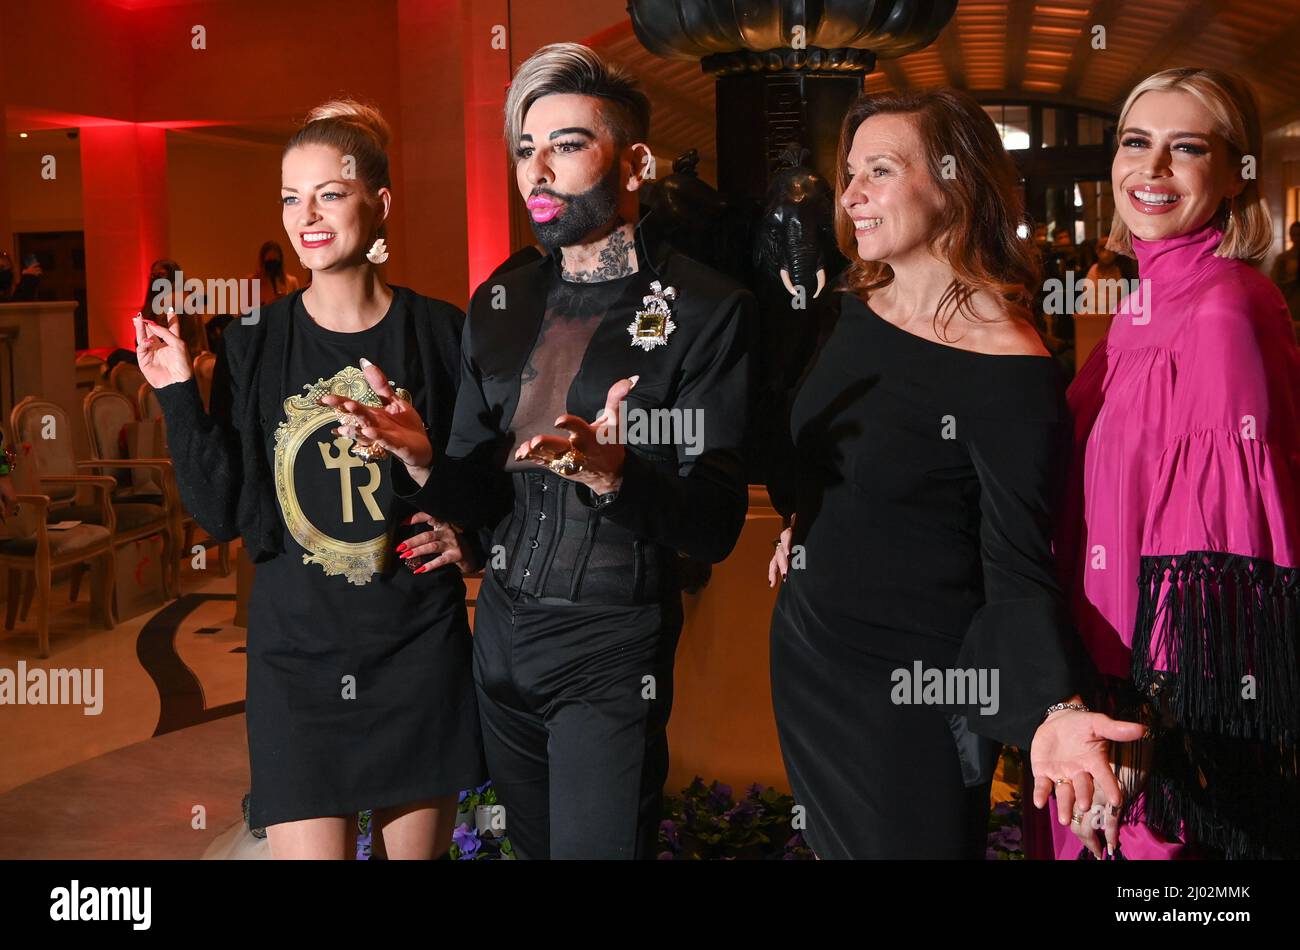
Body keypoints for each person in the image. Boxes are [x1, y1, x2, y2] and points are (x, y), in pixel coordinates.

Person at [323, 43, 755, 859]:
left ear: (634, 163)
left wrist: (617, 473)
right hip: (501, 642)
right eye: (526, 148)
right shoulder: (503, 294)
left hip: (610, 647)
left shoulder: (705, 306)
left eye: (564, 145)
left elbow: (717, 523)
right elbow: (482, 493)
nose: (537, 172)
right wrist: (424, 463)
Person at [765, 87, 1144, 859]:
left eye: (879, 170)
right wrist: (805, 519)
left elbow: (1015, 562)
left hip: (910, 690)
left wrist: (1054, 708)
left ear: (954, 181)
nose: (852, 195)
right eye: (850, 173)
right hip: (811, 649)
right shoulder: (855, 305)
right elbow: (843, 453)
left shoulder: (1007, 367)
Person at [137, 99, 486, 859]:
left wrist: (461, 522)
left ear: (380, 203)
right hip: (296, 659)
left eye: (331, 192)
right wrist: (174, 392)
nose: (309, 214)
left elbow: (481, 489)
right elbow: (221, 514)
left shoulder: (441, 332)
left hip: (415, 649)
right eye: (292, 197)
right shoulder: (254, 344)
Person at [1030, 67, 1300, 861]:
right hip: (1090, 704)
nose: (1149, 170)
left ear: (1233, 174)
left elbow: (1221, 568)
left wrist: (1145, 735)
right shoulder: (1138, 303)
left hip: (1150, 734)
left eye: (1185, 149)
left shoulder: (1225, 306)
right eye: (1135, 143)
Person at [251, 240, 301, 307]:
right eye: (269, 261)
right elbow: (244, 314)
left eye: (275, 261)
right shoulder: (251, 282)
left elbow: (298, 309)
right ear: (263, 262)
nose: (272, 267)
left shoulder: (292, 282)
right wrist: (267, 304)